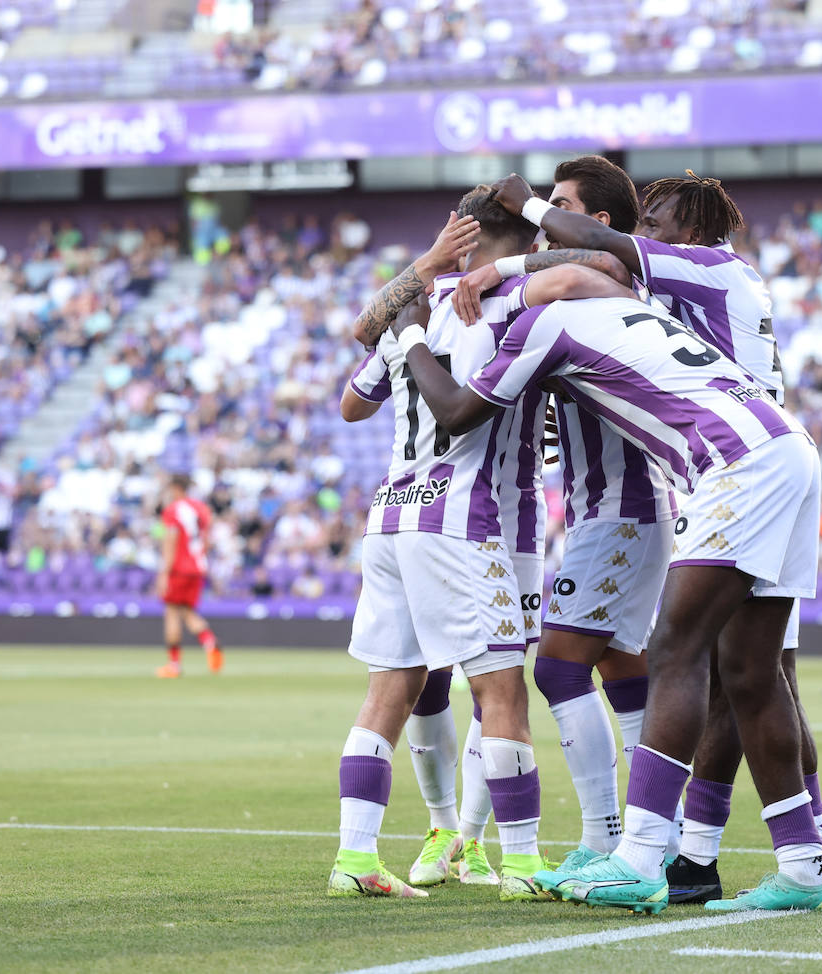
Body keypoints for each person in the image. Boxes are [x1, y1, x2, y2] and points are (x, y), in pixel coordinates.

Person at [396, 259, 822, 913]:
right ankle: (805, 865)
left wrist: (410, 334)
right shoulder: (626, 306)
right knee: (751, 670)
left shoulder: (545, 322)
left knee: (675, 654)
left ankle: (637, 856)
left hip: (733, 465)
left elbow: (457, 412)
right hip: (786, 444)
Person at [329, 192, 579, 902]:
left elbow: (352, 404)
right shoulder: (517, 305)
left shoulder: (414, 304)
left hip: (391, 517)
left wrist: (421, 284)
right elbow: (587, 268)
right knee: (501, 690)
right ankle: (523, 864)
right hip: (464, 519)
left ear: (461, 239)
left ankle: (355, 857)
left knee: (389, 692)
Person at [455, 156, 675, 876]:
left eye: (561, 207)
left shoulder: (606, 283)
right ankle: (657, 837)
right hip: (612, 511)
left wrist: (499, 272)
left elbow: (586, 270)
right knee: (619, 664)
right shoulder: (585, 295)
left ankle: (605, 838)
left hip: (622, 511)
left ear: (596, 224)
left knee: (557, 668)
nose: (543, 218)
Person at [155, 474, 224, 678]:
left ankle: (173, 665)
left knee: (172, 612)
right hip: (198, 567)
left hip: (179, 568)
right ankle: (210, 642)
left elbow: (171, 541)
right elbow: (207, 540)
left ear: (176, 488)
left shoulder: (173, 510)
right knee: (187, 611)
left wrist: (164, 573)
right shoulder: (202, 509)